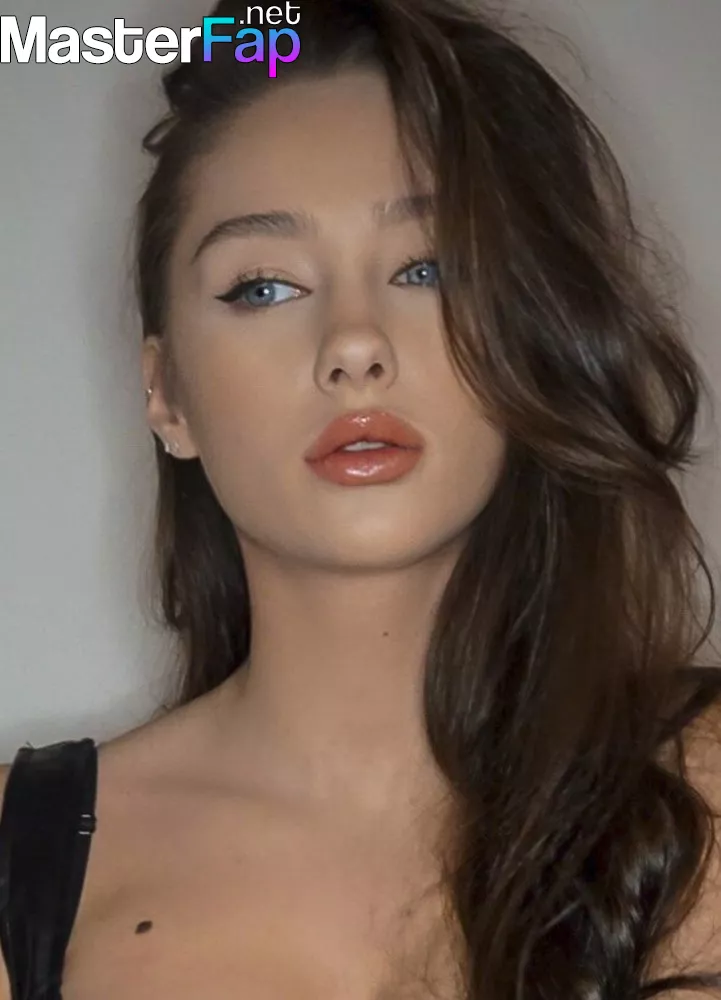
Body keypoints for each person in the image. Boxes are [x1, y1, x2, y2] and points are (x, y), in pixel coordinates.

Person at [2, 0, 721, 996]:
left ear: (531, 331)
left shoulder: (700, 784)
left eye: (427, 268)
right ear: (166, 395)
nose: (353, 344)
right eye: (263, 286)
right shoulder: (24, 858)